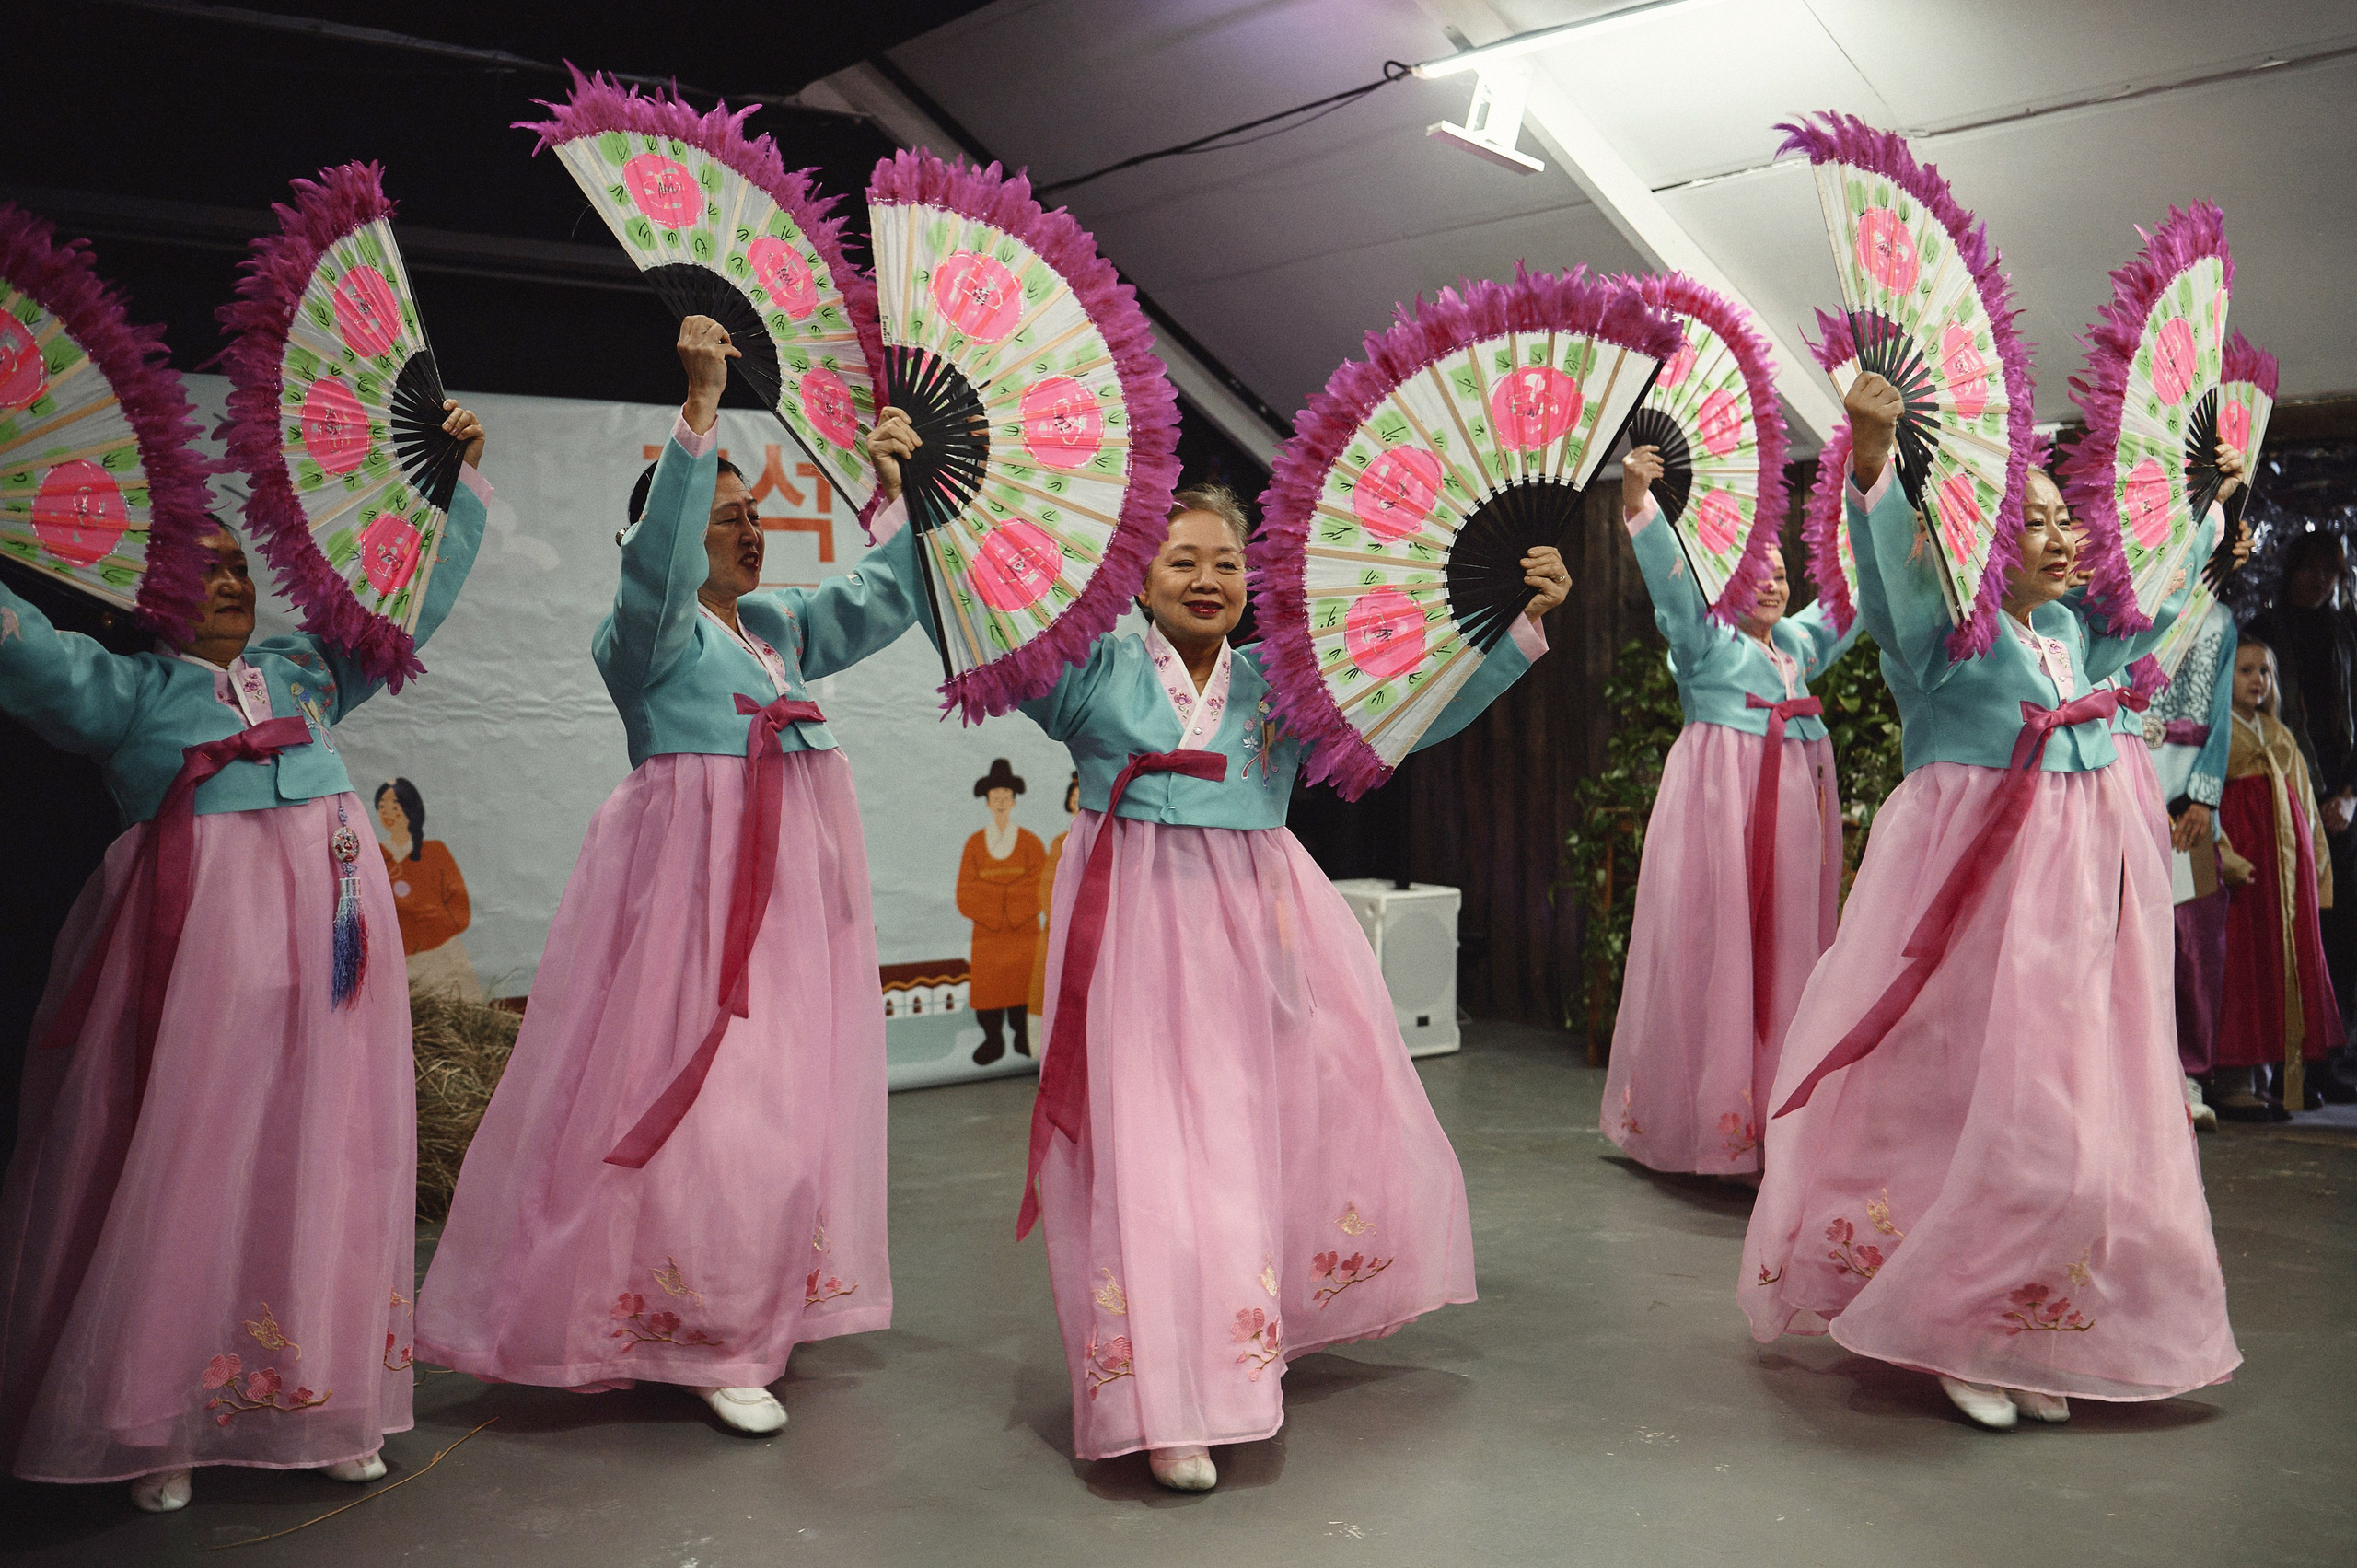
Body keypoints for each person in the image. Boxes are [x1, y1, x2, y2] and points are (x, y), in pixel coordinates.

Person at [987, 482, 1565, 1492]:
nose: (1207, 579)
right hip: (1129, 931)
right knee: (1146, 1160)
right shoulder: (1095, 670)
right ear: (1138, 577)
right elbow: (997, 631)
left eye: (1225, 562)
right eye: (1182, 561)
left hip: (1256, 929)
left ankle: (1234, 1363)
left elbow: (1407, 712)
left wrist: (1516, 632)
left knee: (1243, 1150)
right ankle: (1161, 1399)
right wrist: (925, 518)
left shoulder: (1281, 683)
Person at [416, 318, 922, 1436]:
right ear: (672, 530)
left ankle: (737, 1306)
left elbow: (884, 598)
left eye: (754, 517)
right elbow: (655, 572)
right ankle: (707, 1336)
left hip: (790, 904)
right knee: (711, 1107)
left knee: (780, 1103)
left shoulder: (779, 630)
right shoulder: (644, 639)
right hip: (692, 903)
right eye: (726, 517)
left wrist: (900, 491)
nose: (750, 534)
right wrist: (699, 409)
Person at [0, 404, 491, 1509]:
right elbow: (21, 651)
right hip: (202, 966)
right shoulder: (127, 692)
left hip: (330, 967)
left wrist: (453, 488)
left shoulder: (309, 672)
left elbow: (409, 599)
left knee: (326, 1158)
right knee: (192, 1163)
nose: (227, 579)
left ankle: (324, 1399)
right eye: (203, 566)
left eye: (237, 565)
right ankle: (156, 1415)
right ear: (155, 593)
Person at [1740, 372, 2243, 1432]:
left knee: (2069, 1127)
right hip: (1972, 915)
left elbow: (2151, 605)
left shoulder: (2073, 635)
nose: (2060, 538)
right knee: (1979, 1115)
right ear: (1983, 543)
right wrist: (1871, 461)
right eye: (2035, 524)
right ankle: (1947, 1325)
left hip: (2070, 925)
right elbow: (1887, 583)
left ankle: (2016, 1323)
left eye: (2066, 520)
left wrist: (2209, 511)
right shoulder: (1942, 645)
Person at [1601, 446, 1859, 1178]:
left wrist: (1871, 508)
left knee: (1788, 952)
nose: (1774, 579)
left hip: (1794, 821)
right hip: (1724, 818)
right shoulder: (1706, 641)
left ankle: (1779, 1114)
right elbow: (1672, 586)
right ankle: (1710, 1120)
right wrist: (1639, 503)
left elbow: (1852, 599)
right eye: (1757, 569)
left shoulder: (1797, 646)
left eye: (1781, 570)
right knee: (1719, 950)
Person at [2247, 530, 2357, 1102]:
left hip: (2343, 804)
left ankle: (2336, 1060)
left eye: (2330, 573)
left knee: (2342, 934)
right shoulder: (2267, 631)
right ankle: (2299, 1065)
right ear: (2290, 570)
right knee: (2297, 933)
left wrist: (2348, 795)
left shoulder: (2345, 633)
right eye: (2310, 569)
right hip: (2286, 800)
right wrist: (2306, 797)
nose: (2319, 581)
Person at [2214, 637, 2343, 1117]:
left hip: (2283, 867)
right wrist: (2220, 851)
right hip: (2246, 862)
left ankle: (2269, 1074)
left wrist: (2316, 874)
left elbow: (2305, 806)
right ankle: (2233, 1078)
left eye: (2264, 672)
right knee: (2242, 962)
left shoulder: (2280, 733)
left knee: (2277, 961)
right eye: (2245, 670)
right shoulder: (2217, 732)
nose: (2256, 680)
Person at [2146, 601, 2245, 1127]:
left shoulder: (2219, 621)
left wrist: (2204, 799)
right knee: (2124, 937)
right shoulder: (2118, 601)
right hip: (2128, 782)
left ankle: (2187, 1073)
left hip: (2189, 796)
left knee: (2194, 941)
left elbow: (2220, 717)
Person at [958, 758, 1045, 1064]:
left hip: (1023, 933)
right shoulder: (974, 844)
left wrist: (1006, 899)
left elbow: (1040, 883)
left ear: (1014, 800)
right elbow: (965, 892)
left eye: (1006, 796)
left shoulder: (1031, 842)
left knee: (1023, 987)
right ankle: (992, 1039)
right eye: (995, 797)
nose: (1001, 801)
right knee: (990, 991)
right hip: (988, 933)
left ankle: (1023, 1037)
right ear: (986, 802)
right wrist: (1000, 904)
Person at [376, 776, 483, 1003]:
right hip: (396, 963)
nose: (388, 814)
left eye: (395, 807)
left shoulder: (435, 851)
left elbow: (459, 905)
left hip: (443, 957)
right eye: (382, 807)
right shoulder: (374, 856)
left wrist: (436, 921)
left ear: (411, 809)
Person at [1028, 772, 1080, 1028]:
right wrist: (1066, 920)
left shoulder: (1108, 838)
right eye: (1074, 799)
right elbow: (1047, 888)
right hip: (1064, 927)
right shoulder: (1060, 842)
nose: (1078, 803)